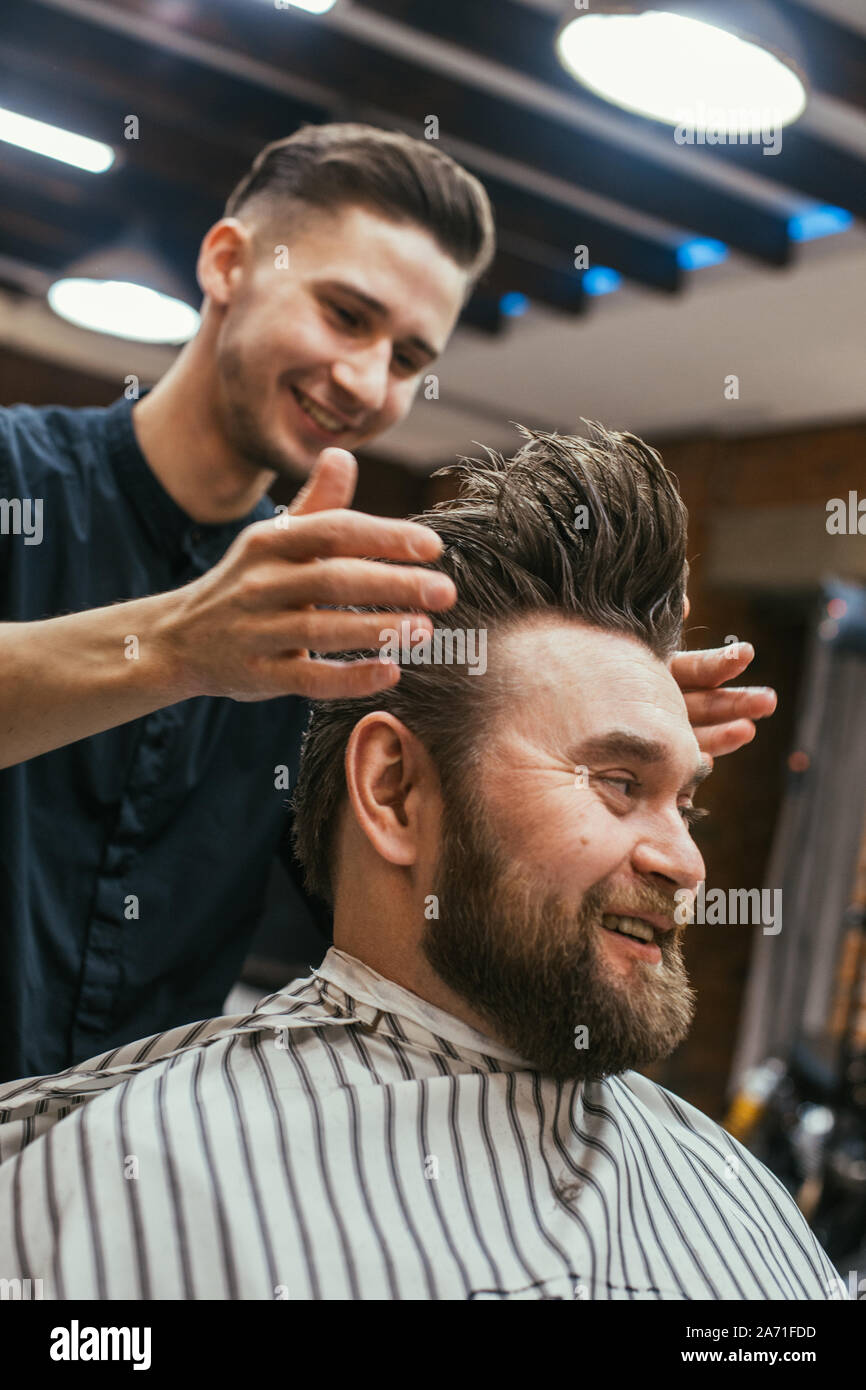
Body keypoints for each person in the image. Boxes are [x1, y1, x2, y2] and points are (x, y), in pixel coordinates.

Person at [0, 122, 775, 1084]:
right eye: (344, 315)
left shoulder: (354, 620)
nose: (365, 381)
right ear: (229, 262)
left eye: (409, 358)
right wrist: (176, 646)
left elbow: (402, 880)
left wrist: (593, 731)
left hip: (120, 1161)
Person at [0, 424, 835, 1301]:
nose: (686, 861)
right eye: (619, 782)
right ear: (395, 792)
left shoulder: (739, 1198)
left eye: (686, 801)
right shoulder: (126, 1178)